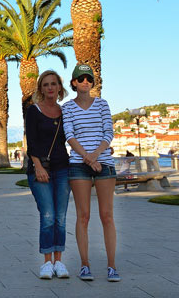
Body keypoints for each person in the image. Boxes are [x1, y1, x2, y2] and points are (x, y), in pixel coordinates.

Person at [61, 64, 119, 282]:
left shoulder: (103, 104)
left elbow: (108, 133)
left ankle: (112, 266)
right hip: (78, 164)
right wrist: (87, 158)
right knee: (83, 216)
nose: (85, 81)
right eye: (81, 78)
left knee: (107, 216)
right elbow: (69, 135)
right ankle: (85, 265)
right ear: (74, 83)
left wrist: (94, 157)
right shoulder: (67, 107)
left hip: (102, 162)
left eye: (89, 78)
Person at [24, 69, 71, 280]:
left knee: (60, 217)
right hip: (39, 168)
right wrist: (38, 166)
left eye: (53, 84)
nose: (50, 87)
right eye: (46, 84)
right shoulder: (33, 111)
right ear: (40, 89)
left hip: (63, 168)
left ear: (60, 87)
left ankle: (59, 261)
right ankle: (46, 263)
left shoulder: (65, 112)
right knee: (48, 215)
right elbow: (31, 141)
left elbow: (73, 138)